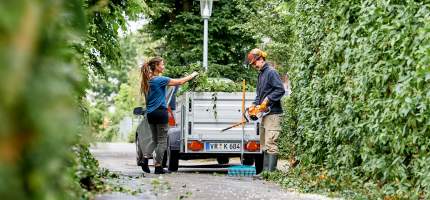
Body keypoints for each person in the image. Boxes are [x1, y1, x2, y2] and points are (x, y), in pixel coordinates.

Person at [140, 57, 198, 174]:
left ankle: (145, 159)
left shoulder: (147, 81)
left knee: (155, 139)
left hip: (150, 114)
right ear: (156, 66)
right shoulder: (159, 79)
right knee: (162, 141)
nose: (164, 66)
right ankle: (158, 166)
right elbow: (180, 82)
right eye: (162, 64)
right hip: (161, 112)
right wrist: (193, 75)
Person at [245, 48, 285, 173]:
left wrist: (267, 100)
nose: (254, 66)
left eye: (254, 63)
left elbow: (280, 90)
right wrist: (254, 105)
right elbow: (259, 95)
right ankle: (265, 172)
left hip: (273, 114)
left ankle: (270, 173)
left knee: (271, 143)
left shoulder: (271, 72)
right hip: (265, 114)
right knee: (263, 144)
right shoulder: (261, 74)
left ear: (260, 59)